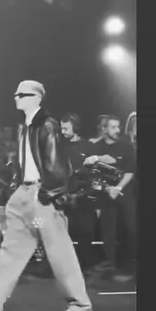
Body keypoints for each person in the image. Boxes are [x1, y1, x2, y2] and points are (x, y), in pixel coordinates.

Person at [0, 79, 92, 311]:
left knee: (57, 248)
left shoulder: (46, 124)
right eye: (16, 93)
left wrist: (50, 192)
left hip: (40, 198)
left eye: (21, 94)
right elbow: (28, 161)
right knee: (12, 249)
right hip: (25, 197)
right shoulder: (28, 125)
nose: (16, 97)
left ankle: (80, 303)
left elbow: (55, 162)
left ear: (35, 97)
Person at [84, 115, 136, 279]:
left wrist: (118, 187)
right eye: (113, 127)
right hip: (106, 194)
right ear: (104, 129)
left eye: (118, 127)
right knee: (108, 230)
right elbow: (92, 174)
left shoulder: (126, 146)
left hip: (124, 192)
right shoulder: (96, 147)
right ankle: (110, 262)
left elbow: (131, 170)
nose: (117, 130)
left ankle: (130, 262)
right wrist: (107, 189)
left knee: (131, 227)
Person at [59, 112, 97, 271]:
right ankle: (65, 266)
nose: (63, 131)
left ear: (75, 127)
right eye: (61, 128)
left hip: (84, 196)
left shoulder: (88, 146)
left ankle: (85, 266)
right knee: (63, 232)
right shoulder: (60, 147)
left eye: (66, 128)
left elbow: (94, 172)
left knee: (86, 232)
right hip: (64, 196)